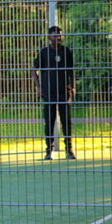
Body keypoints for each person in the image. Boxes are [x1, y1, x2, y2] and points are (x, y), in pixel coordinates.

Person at [32, 25, 76, 160]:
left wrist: (72, 87)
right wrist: (39, 87)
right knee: (49, 121)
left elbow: (71, 70)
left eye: (60, 35)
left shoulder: (66, 51)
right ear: (49, 37)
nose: (58, 38)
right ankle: (48, 151)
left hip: (64, 91)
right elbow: (34, 70)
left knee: (66, 121)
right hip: (49, 92)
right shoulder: (44, 52)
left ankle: (69, 150)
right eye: (55, 35)